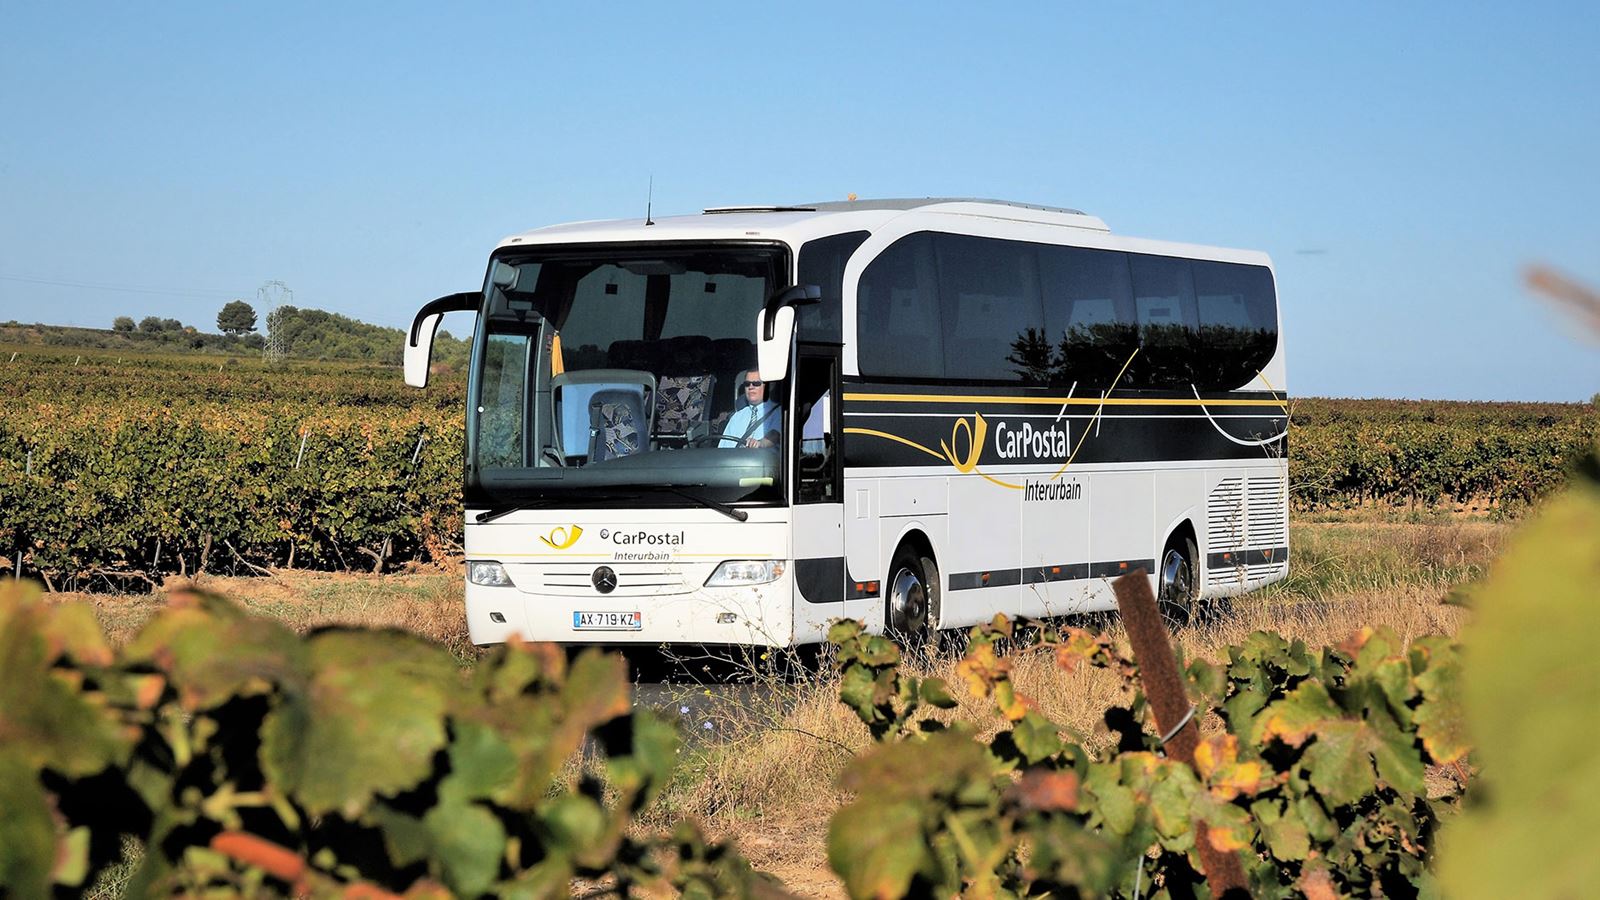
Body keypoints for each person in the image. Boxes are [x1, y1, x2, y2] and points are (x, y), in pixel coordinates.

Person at [719, 370, 781, 448]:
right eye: (747, 384)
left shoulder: (780, 412)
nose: (751, 387)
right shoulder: (737, 417)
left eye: (756, 383)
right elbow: (723, 449)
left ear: (770, 386)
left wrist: (759, 443)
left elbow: (775, 434)